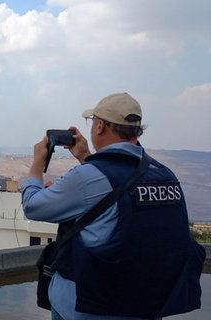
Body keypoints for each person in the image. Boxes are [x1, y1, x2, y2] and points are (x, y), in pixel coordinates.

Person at [22, 93, 205, 320]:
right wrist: (85, 156)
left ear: (99, 126)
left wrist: (38, 161)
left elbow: (32, 206)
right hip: (146, 304)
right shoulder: (164, 174)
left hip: (90, 307)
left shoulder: (87, 178)